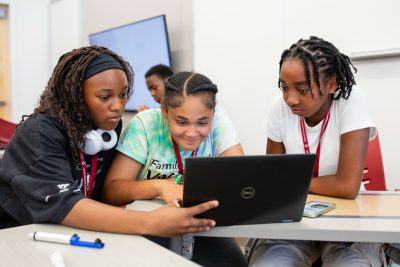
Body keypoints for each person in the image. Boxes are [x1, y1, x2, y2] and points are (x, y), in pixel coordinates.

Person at [0, 46, 219, 237]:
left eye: (123, 95)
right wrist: (151, 222)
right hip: (17, 232)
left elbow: (106, 197)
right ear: (75, 95)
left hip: (70, 230)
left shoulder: (108, 129)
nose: (118, 106)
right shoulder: (40, 132)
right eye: (105, 97)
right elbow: (64, 205)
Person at [248, 36, 385, 266]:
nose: (290, 99)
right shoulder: (278, 108)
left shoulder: (351, 101)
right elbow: (272, 180)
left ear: (331, 84)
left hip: (347, 220)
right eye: (284, 87)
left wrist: (290, 182)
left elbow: (348, 186)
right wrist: (282, 183)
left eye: (302, 89)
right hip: (294, 220)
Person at [103, 71, 247, 267]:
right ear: (164, 109)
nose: (191, 133)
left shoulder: (219, 119)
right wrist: (159, 186)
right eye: (181, 122)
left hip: (203, 225)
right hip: (149, 221)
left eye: (203, 123)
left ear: (213, 114)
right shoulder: (145, 124)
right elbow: (112, 190)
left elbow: (242, 177)